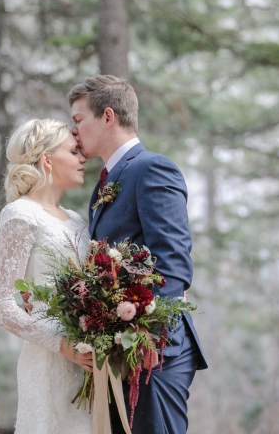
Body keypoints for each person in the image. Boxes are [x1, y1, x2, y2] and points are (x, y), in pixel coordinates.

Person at [68, 75, 208, 434]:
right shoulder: (105, 182)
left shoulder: (152, 168)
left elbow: (173, 262)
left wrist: (144, 341)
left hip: (156, 353)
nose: (74, 131)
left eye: (79, 119)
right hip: (123, 355)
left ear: (108, 116)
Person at [0, 119, 94, 434]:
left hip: (89, 359)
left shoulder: (77, 221)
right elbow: (2, 305)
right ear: (47, 160)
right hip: (50, 360)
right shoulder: (20, 214)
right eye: (74, 151)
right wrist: (62, 344)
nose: (83, 158)